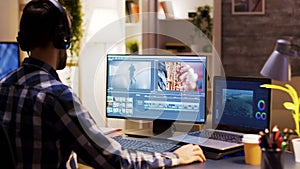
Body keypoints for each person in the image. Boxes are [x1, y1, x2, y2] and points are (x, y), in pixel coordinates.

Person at [0, 0, 206, 168]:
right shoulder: (57, 97)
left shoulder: (3, 85)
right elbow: (115, 160)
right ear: (61, 38)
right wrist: (176, 157)